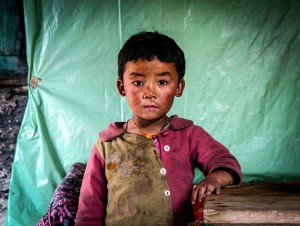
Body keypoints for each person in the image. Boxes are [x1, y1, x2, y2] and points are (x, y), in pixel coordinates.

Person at [75, 31, 242, 226]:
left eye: (162, 82)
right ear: (122, 88)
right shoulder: (106, 145)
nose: (150, 92)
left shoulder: (189, 135)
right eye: (138, 82)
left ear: (179, 87)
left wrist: (213, 179)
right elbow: (89, 212)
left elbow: (226, 163)